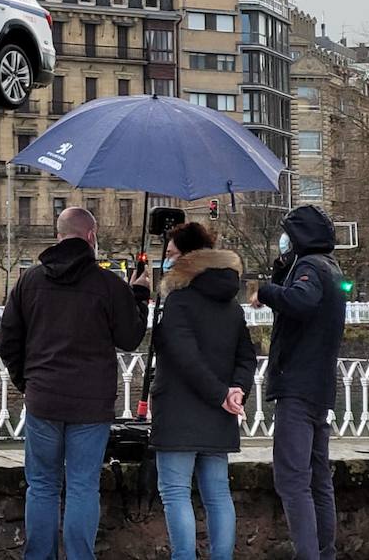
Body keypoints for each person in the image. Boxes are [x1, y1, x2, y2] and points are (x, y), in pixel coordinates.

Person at [0, 206, 153, 560]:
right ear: (91, 237)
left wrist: (29, 382)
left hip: (43, 400)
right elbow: (130, 338)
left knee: (41, 486)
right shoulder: (108, 285)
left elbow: (8, 341)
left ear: (58, 236)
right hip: (90, 405)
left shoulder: (30, 281)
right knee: (83, 487)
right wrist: (140, 296)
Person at [151, 221, 257, 560]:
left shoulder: (180, 302)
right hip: (220, 413)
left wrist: (219, 394)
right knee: (217, 495)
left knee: (176, 492)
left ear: (188, 258)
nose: (166, 260)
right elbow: (247, 357)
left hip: (180, 413)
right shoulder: (232, 305)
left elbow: (185, 357)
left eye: (170, 254)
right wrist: (235, 390)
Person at [250, 204, 347, 560]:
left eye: (288, 233)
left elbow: (300, 302)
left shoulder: (309, 267)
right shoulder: (330, 267)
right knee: (319, 478)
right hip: (320, 388)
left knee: (292, 480)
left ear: (299, 236)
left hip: (298, 387)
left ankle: (308, 554)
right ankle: (325, 552)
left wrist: (266, 291)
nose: (284, 239)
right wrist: (281, 273)